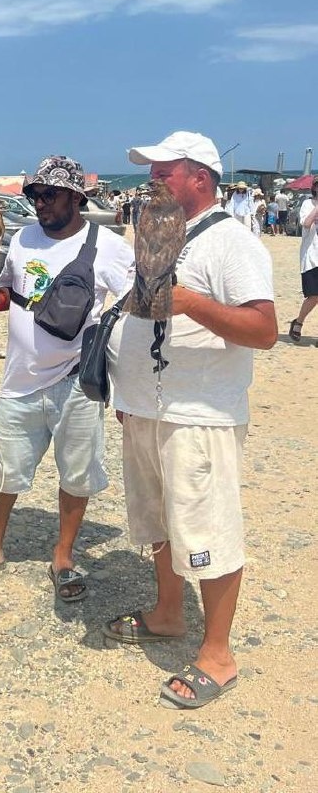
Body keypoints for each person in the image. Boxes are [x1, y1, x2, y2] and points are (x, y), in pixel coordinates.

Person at [105, 131, 277, 709]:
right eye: (151, 171)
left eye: (164, 171)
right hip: (148, 408)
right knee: (158, 520)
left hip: (199, 415)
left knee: (207, 528)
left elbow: (264, 331)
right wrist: (128, 392)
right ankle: (168, 614)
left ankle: (218, 655)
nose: (152, 180)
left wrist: (193, 303)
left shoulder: (231, 241)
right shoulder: (158, 233)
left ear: (200, 178)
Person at [0, 155, 134, 603]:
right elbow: (14, 292)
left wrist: (127, 383)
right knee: (2, 469)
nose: (40, 202)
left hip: (77, 381)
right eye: (35, 194)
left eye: (50, 194)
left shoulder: (108, 246)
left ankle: (63, 556)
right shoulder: (23, 238)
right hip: (20, 380)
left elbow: (133, 309)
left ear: (76, 197)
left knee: (77, 475)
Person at [287, 176, 318, 343]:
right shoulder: (307, 204)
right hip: (312, 256)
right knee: (313, 295)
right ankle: (298, 322)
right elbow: (306, 224)